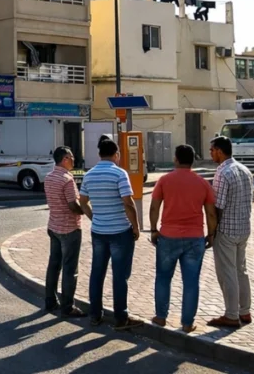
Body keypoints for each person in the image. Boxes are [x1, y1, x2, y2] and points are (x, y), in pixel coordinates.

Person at [149, 145, 217, 332]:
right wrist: (211, 234)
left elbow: (154, 207)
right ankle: (187, 323)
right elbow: (211, 213)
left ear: (176, 159)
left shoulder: (164, 180)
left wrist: (154, 230)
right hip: (195, 238)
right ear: (192, 161)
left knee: (163, 278)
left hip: (168, 236)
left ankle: (161, 317)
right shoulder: (202, 183)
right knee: (191, 281)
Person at [79, 137, 143, 329]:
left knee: (97, 273)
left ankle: (95, 315)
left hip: (98, 231)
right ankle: (121, 318)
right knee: (120, 275)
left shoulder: (89, 175)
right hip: (119, 232)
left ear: (99, 155)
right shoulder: (119, 173)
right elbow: (129, 204)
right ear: (116, 155)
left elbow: (83, 202)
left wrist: (94, 217)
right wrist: (136, 226)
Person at [207, 135, 254, 328]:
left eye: (212, 150)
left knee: (227, 272)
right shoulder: (245, 170)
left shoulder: (222, 173)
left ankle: (231, 314)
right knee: (241, 271)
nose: (210, 154)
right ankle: (245, 311)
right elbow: (252, 197)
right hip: (244, 228)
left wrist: (212, 231)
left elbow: (217, 206)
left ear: (219, 151)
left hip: (226, 230)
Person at [44, 146, 90, 317]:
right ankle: (68, 306)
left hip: (53, 226)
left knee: (53, 265)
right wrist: (85, 209)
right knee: (70, 269)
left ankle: (50, 301)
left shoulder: (49, 177)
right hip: (69, 229)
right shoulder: (67, 180)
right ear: (64, 159)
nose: (73, 160)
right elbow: (73, 205)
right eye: (71, 157)